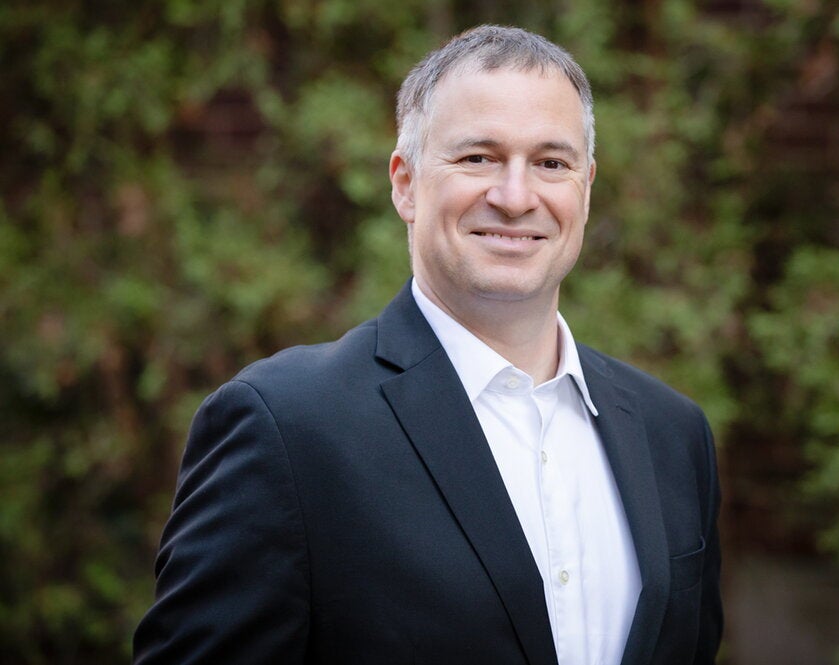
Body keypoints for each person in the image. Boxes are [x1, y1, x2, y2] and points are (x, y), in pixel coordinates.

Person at [133, 24, 722, 665]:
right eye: (478, 158)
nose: (516, 196)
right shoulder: (286, 428)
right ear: (405, 183)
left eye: (551, 163)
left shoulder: (673, 434)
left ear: (586, 186)